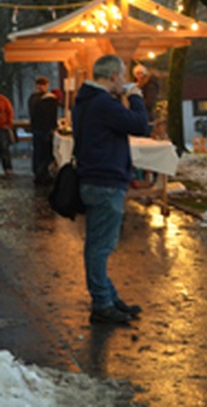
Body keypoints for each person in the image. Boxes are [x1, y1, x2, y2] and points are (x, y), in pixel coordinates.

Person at [73, 54, 150, 324]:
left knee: (97, 244)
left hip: (94, 178)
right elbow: (140, 125)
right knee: (100, 247)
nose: (125, 81)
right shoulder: (103, 103)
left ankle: (108, 296)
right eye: (123, 76)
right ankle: (102, 304)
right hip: (105, 181)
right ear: (113, 76)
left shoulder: (87, 100)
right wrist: (136, 96)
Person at [29, 77, 59, 184]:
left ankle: (38, 173)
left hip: (36, 128)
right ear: (46, 85)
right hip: (46, 130)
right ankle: (43, 175)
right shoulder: (50, 99)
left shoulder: (32, 98)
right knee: (46, 153)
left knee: (37, 153)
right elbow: (52, 117)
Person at [0, 91, 13, 178]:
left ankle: (7, 168)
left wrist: (8, 124)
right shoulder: (4, 100)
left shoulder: (3, 100)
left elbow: (9, 112)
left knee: (4, 148)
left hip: (2, 127)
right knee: (4, 149)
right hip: (3, 127)